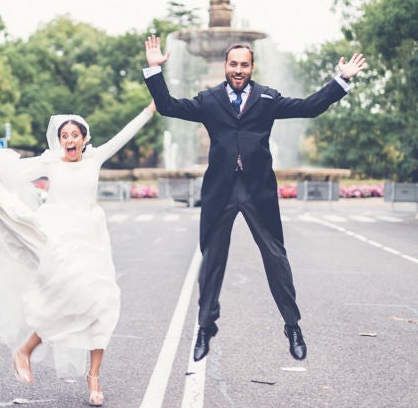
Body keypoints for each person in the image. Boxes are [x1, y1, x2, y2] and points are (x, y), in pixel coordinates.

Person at [143, 35, 366, 363]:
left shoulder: (267, 98)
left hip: (258, 190)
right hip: (220, 191)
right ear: (225, 67)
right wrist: (154, 71)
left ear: (252, 67)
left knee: (276, 257)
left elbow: (310, 107)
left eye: (244, 64)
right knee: (212, 260)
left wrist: (342, 79)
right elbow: (168, 106)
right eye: (233, 64)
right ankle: (206, 326)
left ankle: (292, 325)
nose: (238, 69)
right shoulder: (208, 99)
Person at [0, 103, 156, 405]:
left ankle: (94, 378)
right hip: (59, 236)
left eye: (75, 135)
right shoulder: (50, 161)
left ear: (84, 139)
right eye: (64, 135)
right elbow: (10, 172)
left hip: (92, 237)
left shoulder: (96, 157)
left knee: (103, 302)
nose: (69, 140)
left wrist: (152, 106)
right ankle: (25, 349)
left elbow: (125, 134)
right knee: (67, 294)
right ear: (59, 140)